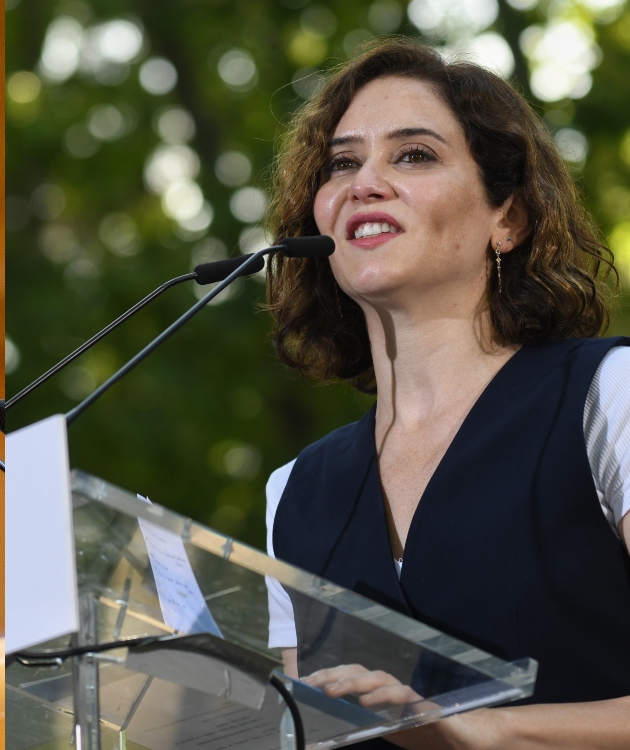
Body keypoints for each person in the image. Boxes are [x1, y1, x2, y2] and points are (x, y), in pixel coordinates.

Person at [262, 40, 630, 748]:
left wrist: (481, 731)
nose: (365, 182)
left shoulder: (606, 397)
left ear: (509, 220)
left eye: (414, 155)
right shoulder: (294, 493)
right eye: (343, 163)